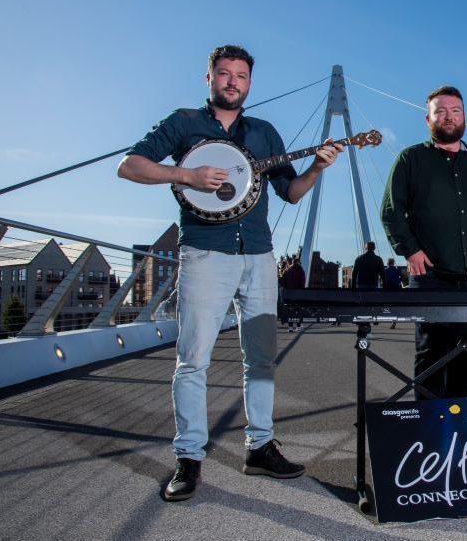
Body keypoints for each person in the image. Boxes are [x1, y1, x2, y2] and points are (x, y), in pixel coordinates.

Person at [118, 44, 344, 501]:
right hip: (204, 254)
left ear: (249, 83)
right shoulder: (183, 124)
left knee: (260, 358)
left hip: (259, 257)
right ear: (210, 78)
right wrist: (186, 176)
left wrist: (318, 168)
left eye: (241, 75)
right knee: (193, 360)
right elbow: (130, 166)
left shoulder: (264, 133)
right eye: (224, 74)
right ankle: (188, 458)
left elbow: (293, 193)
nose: (232, 82)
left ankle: (259, 448)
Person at [381, 85, 467, 400]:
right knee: (430, 356)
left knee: (465, 355)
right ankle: (430, 435)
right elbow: (391, 211)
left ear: (465, 117)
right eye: (440, 111)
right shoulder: (411, 159)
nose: (448, 117)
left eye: (455, 111)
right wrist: (409, 250)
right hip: (430, 278)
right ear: (428, 119)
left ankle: (459, 432)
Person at [280, 257, 306, 332]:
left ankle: (290, 327)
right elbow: (302, 282)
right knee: (298, 310)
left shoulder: (287, 270)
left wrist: (286, 288)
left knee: (290, 311)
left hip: (288, 294)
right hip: (297, 293)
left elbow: (282, 281)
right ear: (297, 262)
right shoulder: (300, 270)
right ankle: (298, 327)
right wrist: (301, 291)